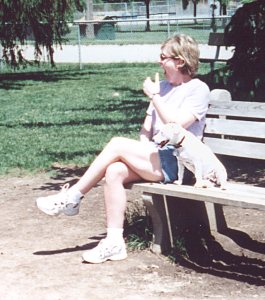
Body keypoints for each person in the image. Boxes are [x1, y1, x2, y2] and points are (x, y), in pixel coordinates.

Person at [36, 33, 210, 264]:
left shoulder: (197, 89)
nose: (159, 62)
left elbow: (176, 126)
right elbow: (145, 131)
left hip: (182, 164)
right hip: (157, 158)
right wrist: (142, 150)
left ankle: (73, 196)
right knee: (114, 171)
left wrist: (155, 97)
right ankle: (114, 242)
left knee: (117, 143)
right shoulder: (163, 87)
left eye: (163, 57)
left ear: (180, 60)